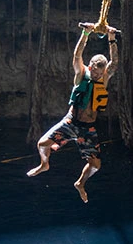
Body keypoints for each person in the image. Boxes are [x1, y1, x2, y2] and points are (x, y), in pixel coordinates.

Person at [27, 21, 119, 203]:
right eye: (95, 73)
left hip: (87, 128)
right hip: (71, 122)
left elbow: (114, 62)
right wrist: (85, 33)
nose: (97, 76)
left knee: (96, 164)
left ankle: (80, 183)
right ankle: (44, 164)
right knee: (42, 144)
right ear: (91, 67)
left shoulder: (104, 77)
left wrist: (112, 38)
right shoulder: (81, 73)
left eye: (100, 74)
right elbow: (77, 55)